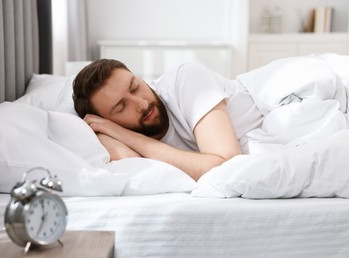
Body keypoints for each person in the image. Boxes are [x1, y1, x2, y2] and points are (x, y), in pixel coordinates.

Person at [72, 59, 263, 181]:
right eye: (121, 107)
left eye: (135, 87)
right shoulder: (108, 131)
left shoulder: (186, 78)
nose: (142, 103)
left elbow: (227, 168)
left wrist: (125, 135)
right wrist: (106, 133)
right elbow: (131, 164)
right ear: (107, 121)